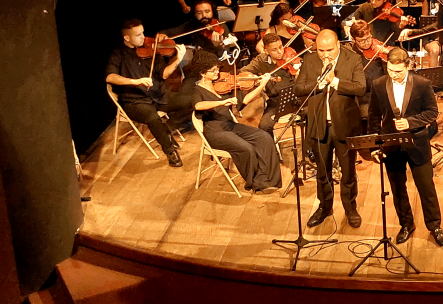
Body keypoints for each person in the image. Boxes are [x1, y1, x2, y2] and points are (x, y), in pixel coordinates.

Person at [367, 47, 443, 247]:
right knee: (397, 189)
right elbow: (374, 117)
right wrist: (374, 147)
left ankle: (435, 226)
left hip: (417, 144)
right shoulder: (378, 85)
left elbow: (432, 113)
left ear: (409, 66)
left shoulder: (422, 84)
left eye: (398, 71)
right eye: (390, 70)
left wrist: (411, 122)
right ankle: (406, 224)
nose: (394, 75)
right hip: (391, 145)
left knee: (426, 187)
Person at [294, 29, 366, 228]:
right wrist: (318, 85)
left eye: (329, 50)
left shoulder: (353, 59)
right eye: (321, 50)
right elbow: (298, 88)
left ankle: (351, 209)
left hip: (344, 126)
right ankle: (324, 207)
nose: (325, 55)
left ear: (339, 45)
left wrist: (334, 82)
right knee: (322, 172)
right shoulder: (310, 60)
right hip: (319, 125)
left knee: (348, 172)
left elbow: (360, 88)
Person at [189, 49, 282, 192]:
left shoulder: (220, 85)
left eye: (217, 69)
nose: (217, 73)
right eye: (212, 71)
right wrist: (221, 103)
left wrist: (262, 85)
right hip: (216, 132)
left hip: (231, 126)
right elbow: (198, 105)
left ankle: (269, 178)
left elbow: (244, 99)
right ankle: (257, 183)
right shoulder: (197, 90)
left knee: (263, 137)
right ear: (202, 73)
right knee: (247, 148)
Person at [105, 19, 191, 167]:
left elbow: (164, 74)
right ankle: (170, 151)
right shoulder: (118, 54)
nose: (144, 37)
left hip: (159, 95)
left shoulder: (152, 50)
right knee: (153, 118)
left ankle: (166, 130)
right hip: (135, 101)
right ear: (127, 38)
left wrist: (177, 60)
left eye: (143, 32)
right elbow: (110, 77)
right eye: (138, 35)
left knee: (190, 101)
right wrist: (135, 81)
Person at [238, 31, 298, 132]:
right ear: (266, 51)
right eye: (274, 50)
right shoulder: (261, 60)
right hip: (276, 102)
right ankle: (272, 148)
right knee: (264, 126)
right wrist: (256, 78)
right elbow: (242, 72)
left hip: (297, 98)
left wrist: (298, 72)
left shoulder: (289, 56)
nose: (280, 52)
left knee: (314, 114)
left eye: (281, 47)